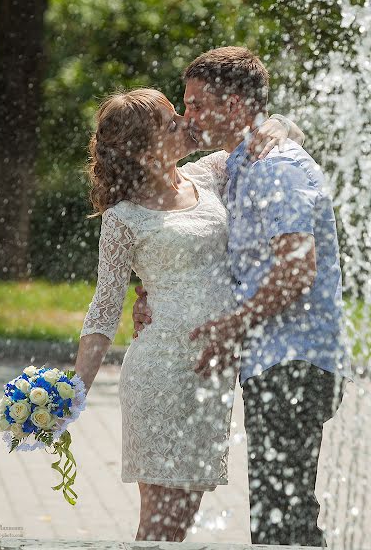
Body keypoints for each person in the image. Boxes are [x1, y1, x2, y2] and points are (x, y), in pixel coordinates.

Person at [133, 46, 353, 546]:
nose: (188, 115)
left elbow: (296, 270)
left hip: (295, 361)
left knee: (285, 516)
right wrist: (153, 288)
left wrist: (234, 324)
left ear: (232, 106)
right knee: (278, 512)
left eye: (194, 103)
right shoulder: (241, 162)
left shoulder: (275, 166)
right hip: (274, 361)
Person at [73, 84, 304, 542]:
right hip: (160, 373)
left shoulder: (209, 174)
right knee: (162, 524)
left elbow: (287, 130)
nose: (185, 121)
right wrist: (73, 390)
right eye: (170, 120)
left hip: (211, 374)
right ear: (143, 147)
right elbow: (103, 312)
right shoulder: (124, 218)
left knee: (179, 520)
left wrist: (271, 125)